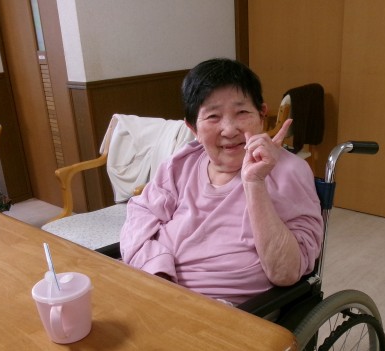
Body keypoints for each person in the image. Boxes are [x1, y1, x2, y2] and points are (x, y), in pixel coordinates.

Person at [120, 58, 323, 306]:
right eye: (213, 116)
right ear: (193, 128)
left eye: (242, 113)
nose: (229, 129)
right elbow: (140, 215)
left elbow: (286, 272)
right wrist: (157, 270)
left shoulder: (290, 171)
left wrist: (254, 182)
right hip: (157, 289)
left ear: (261, 115)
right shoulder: (181, 164)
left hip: (225, 311)